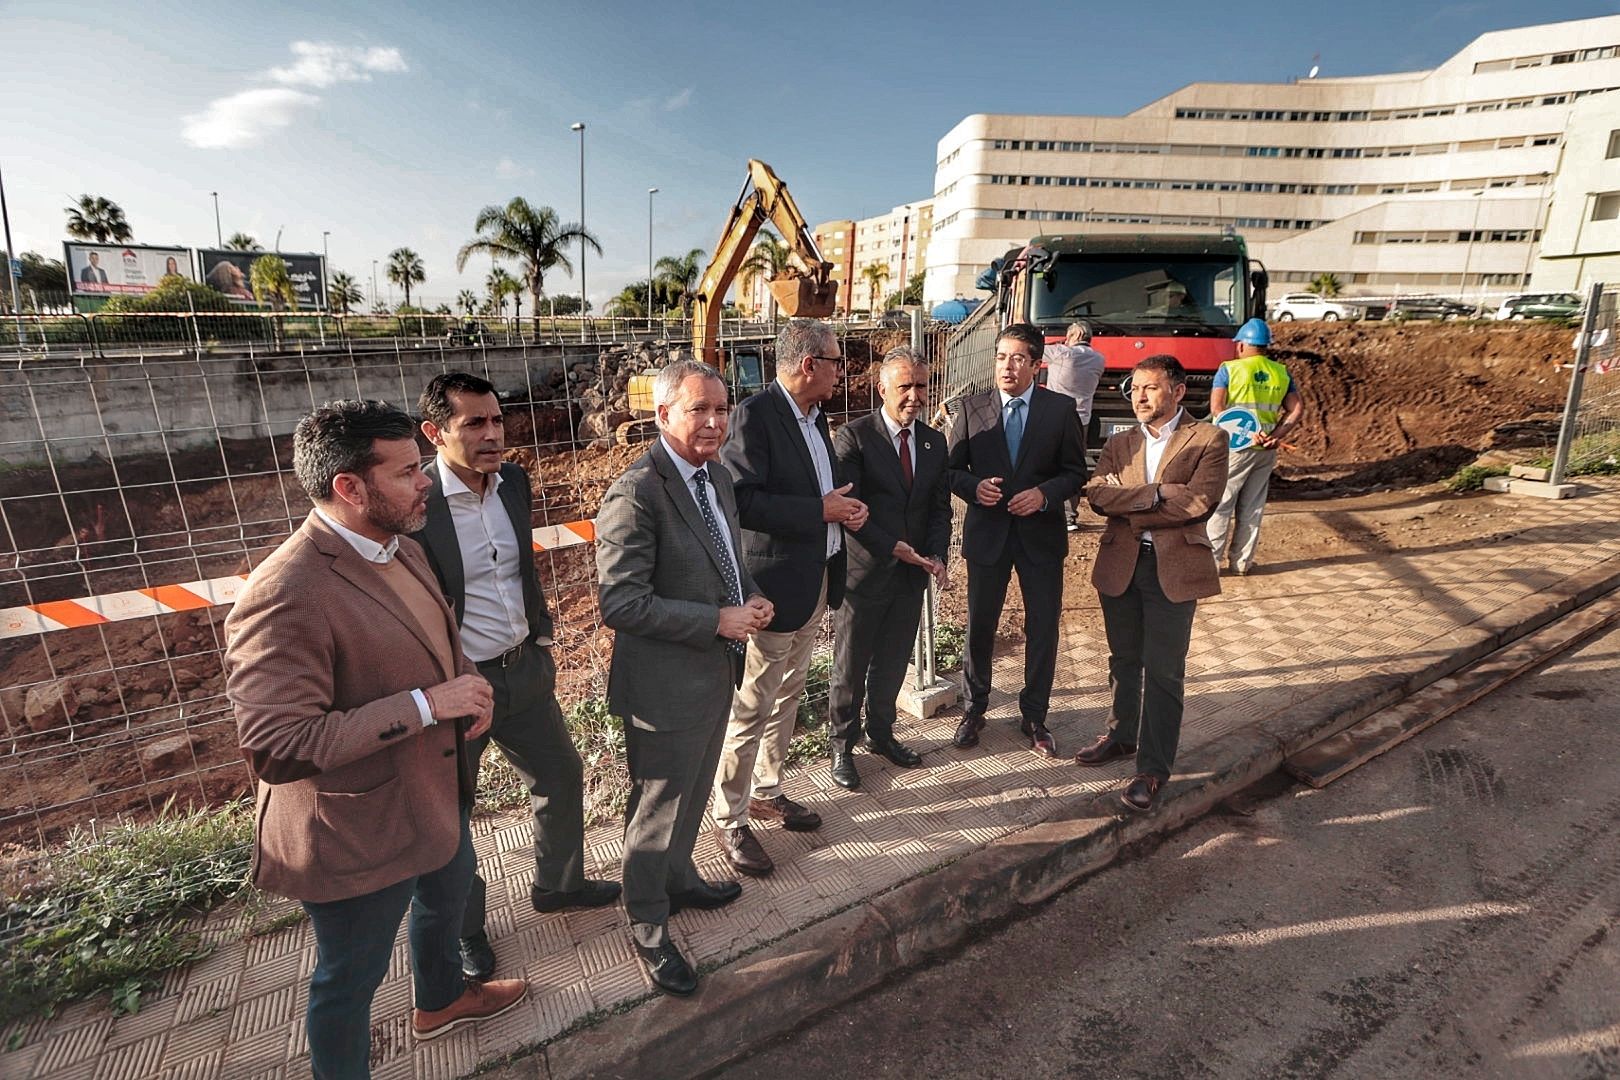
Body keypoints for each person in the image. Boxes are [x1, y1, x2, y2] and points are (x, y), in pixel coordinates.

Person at [223, 400, 527, 1079]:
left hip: (431, 794)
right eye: (408, 472)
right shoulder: (286, 591)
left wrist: (466, 683)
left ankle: (441, 999)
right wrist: (427, 704)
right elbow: (278, 745)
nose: (426, 482)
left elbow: (435, 639)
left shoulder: (402, 545)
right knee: (348, 979)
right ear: (349, 488)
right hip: (357, 827)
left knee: (446, 902)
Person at [410, 372, 619, 982]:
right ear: (435, 432)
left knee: (560, 773)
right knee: (455, 811)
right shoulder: (419, 505)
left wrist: (544, 639)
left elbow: (521, 572)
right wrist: (447, 679)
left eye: (496, 420)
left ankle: (558, 886)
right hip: (459, 686)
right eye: (473, 423)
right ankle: (467, 929)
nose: (492, 434)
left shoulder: (514, 483)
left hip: (523, 667)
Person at [596, 360, 774, 996]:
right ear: (663, 414)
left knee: (694, 792)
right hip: (664, 685)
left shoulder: (715, 476)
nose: (715, 422)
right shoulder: (637, 492)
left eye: (722, 409)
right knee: (658, 805)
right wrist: (717, 620)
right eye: (699, 409)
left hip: (711, 671)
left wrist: (750, 596)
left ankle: (679, 878)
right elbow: (619, 603)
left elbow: (727, 558)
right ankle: (646, 918)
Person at [710, 318, 867, 876]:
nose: (839, 371)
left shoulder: (816, 419)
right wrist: (819, 511)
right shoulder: (754, 416)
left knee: (787, 695)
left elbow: (812, 494)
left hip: (814, 579)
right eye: (834, 361)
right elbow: (744, 502)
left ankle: (767, 789)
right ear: (808, 365)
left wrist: (840, 509)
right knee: (752, 705)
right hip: (774, 587)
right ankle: (730, 819)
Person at [1076, 355, 1228, 812]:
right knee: (1123, 658)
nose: (1139, 397)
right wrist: (1159, 493)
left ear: (1178, 392)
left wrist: (1130, 504)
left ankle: (1153, 768)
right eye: (1135, 388)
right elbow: (1098, 496)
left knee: (1163, 670)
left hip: (1174, 569)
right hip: (1121, 565)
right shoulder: (1120, 442)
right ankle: (1122, 736)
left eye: (1150, 388)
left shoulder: (1209, 438)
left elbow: (1198, 504)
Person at [946, 322, 1087, 758]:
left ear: (1037, 364)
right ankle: (974, 709)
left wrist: (1044, 495)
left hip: (1040, 538)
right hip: (987, 536)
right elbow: (950, 470)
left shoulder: (1059, 410)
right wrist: (973, 489)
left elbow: (1076, 472)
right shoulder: (971, 409)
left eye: (1018, 358)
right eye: (1001, 357)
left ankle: (1035, 716)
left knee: (1042, 627)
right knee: (980, 626)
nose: (1008, 366)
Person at [827, 346, 951, 790]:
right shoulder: (854, 437)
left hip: (911, 573)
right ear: (882, 388)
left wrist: (936, 554)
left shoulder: (935, 442)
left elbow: (940, 507)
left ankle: (882, 733)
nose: (915, 396)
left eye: (921, 385)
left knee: (894, 659)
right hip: (865, 572)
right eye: (905, 386)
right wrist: (894, 547)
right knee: (851, 662)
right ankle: (842, 743)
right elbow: (850, 508)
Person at [1206, 318, 1304, 575]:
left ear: (1241, 345)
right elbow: (1296, 409)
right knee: (1253, 507)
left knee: (1222, 503)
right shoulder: (1282, 372)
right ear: (1265, 346)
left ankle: (1211, 564)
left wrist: (1244, 432)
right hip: (1266, 450)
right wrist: (1277, 434)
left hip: (1235, 448)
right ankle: (1241, 563)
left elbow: (1217, 409)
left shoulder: (1229, 369)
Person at [1042, 320, 1105, 531]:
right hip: (1082, 419)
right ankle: (1069, 517)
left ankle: (1047, 511)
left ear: (1075, 335)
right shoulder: (1099, 359)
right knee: (1073, 465)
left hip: (1054, 417)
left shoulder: (1061, 353)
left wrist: (1061, 342)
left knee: (1048, 462)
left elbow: (1032, 349)